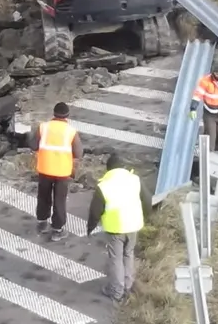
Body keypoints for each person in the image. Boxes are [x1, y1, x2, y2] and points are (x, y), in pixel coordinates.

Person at [87, 153, 154, 302]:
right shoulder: (135, 180)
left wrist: (90, 227)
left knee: (116, 258)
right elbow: (147, 200)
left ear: (109, 169)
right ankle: (128, 285)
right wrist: (145, 216)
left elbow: (95, 211)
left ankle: (116, 290)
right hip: (133, 225)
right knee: (128, 253)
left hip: (115, 228)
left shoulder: (104, 186)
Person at [30, 102, 82, 241]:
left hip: (45, 169)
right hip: (62, 172)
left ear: (53, 113)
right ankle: (57, 231)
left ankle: (42, 223)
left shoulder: (43, 127)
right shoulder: (71, 131)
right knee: (59, 200)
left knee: (43, 196)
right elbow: (78, 153)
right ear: (67, 115)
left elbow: (33, 145)